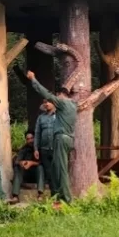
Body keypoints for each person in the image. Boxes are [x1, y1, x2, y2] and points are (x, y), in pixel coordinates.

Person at [25, 71, 77, 202]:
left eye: (58, 95)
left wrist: (33, 79)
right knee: (57, 169)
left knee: (62, 170)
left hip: (60, 138)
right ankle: (59, 196)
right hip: (68, 138)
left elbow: (46, 94)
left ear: (62, 95)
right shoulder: (73, 106)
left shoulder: (63, 103)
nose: (56, 98)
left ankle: (66, 199)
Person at [9, 131, 43, 202]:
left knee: (40, 167)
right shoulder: (24, 149)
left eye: (31, 138)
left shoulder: (39, 148)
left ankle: (40, 195)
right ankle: (15, 196)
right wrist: (22, 162)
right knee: (17, 168)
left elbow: (42, 162)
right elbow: (16, 161)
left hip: (36, 176)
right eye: (28, 139)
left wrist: (31, 163)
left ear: (35, 138)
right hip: (26, 175)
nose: (30, 140)